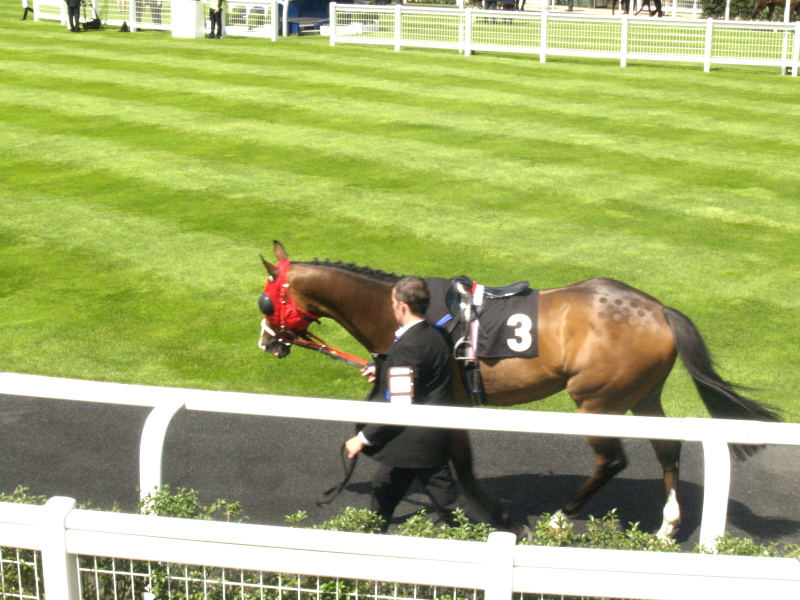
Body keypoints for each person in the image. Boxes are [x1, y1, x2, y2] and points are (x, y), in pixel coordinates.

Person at [345, 277, 462, 533]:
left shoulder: (407, 346)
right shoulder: (434, 335)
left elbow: (399, 405)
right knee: (384, 490)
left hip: (417, 444)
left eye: (392, 302)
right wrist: (384, 368)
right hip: (421, 441)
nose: (391, 307)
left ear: (402, 306)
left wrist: (362, 439)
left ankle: (496, 538)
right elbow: (419, 373)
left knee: (453, 508)